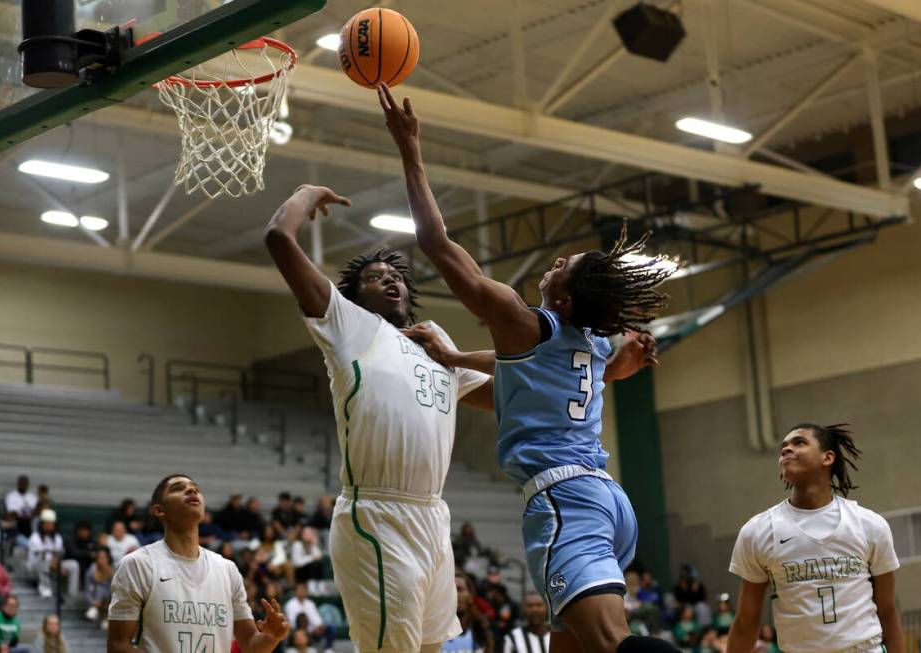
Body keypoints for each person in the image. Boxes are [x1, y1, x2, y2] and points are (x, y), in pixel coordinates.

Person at [378, 83, 678, 653]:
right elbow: (516, 385)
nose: (561, 259)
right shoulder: (589, 340)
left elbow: (435, 243)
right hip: (607, 502)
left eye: (570, 266)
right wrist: (453, 359)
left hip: (565, 498)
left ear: (562, 298)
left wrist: (410, 149)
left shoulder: (522, 320)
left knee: (618, 645)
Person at [264, 175, 494, 653]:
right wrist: (306, 194)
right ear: (356, 295)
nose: (389, 278)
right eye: (375, 276)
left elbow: (501, 398)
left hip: (433, 515)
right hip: (377, 515)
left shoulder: (437, 339)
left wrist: (597, 371)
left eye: (396, 275)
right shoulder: (350, 326)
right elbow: (278, 239)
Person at [726, 424, 904, 653]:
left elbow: (888, 611)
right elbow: (745, 622)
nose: (786, 450)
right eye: (783, 447)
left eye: (799, 442)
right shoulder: (757, 531)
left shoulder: (869, 524)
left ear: (827, 457)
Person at [107, 474, 290, 653]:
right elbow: (118, 645)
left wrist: (271, 637)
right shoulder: (138, 565)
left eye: (196, 488)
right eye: (178, 488)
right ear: (159, 510)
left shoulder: (228, 569)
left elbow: (250, 644)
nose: (191, 489)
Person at [27, 510, 79, 599]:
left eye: (52, 524)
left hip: (53, 565)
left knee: (73, 565)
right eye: (48, 523)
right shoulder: (35, 537)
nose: (50, 526)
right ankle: (45, 587)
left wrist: (59, 566)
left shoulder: (57, 537)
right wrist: (58, 567)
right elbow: (42, 556)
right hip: (35, 568)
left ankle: (72, 593)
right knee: (44, 560)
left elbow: (57, 555)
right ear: (42, 524)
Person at [442, 573, 493, 653]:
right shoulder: (432, 628)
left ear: (470, 596)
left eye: (459, 589)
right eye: (451, 589)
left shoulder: (479, 629)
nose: (455, 594)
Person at [84, 548, 114, 627]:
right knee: (99, 588)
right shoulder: (91, 571)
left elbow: (115, 589)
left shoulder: (113, 570)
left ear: (108, 558)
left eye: (104, 557)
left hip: (109, 598)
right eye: (100, 558)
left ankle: (99, 613)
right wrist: (92, 601)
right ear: (96, 559)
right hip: (94, 596)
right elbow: (87, 589)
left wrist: (108, 572)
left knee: (103, 589)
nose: (102, 560)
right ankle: (94, 608)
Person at [4, 476, 36, 545]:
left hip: (29, 521)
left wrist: (29, 515)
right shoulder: (11, 496)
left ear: (27, 485)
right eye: (21, 483)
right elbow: (11, 513)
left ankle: (34, 542)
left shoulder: (32, 497)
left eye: (25, 483)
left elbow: (35, 512)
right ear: (18, 483)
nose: (23, 485)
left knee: (35, 521)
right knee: (14, 521)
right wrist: (24, 515)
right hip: (17, 520)